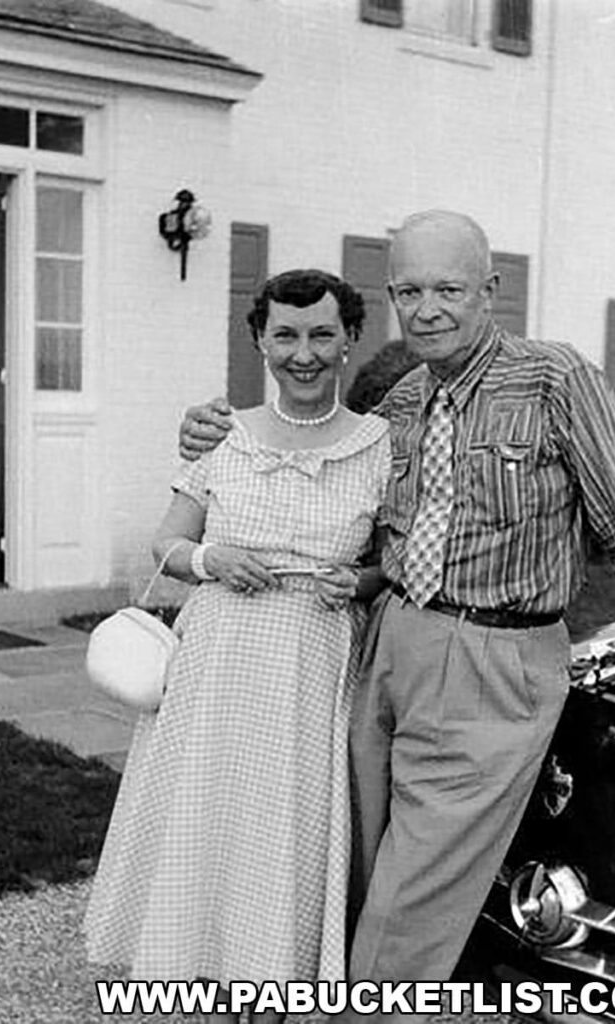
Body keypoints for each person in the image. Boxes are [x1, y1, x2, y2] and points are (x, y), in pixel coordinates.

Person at [179, 211, 615, 1021]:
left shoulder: (556, 380)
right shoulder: (401, 400)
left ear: (490, 289)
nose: (427, 308)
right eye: (408, 291)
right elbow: (315, 468)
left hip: (491, 664)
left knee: (406, 911)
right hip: (386, 648)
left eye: (448, 288)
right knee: (358, 868)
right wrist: (211, 434)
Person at [85, 269, 391, 1022]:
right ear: (259, 340)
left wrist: (359, 583)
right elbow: (164, 544)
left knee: (280, 834)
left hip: (309, 665)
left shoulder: (381, 447)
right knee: (205, 822)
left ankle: (273, 992)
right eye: (285, 335)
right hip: (217, 663)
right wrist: (209, 561)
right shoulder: (224, 434)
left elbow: (394, 562)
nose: (304, 353)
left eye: (322, 334)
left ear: (349, 339)